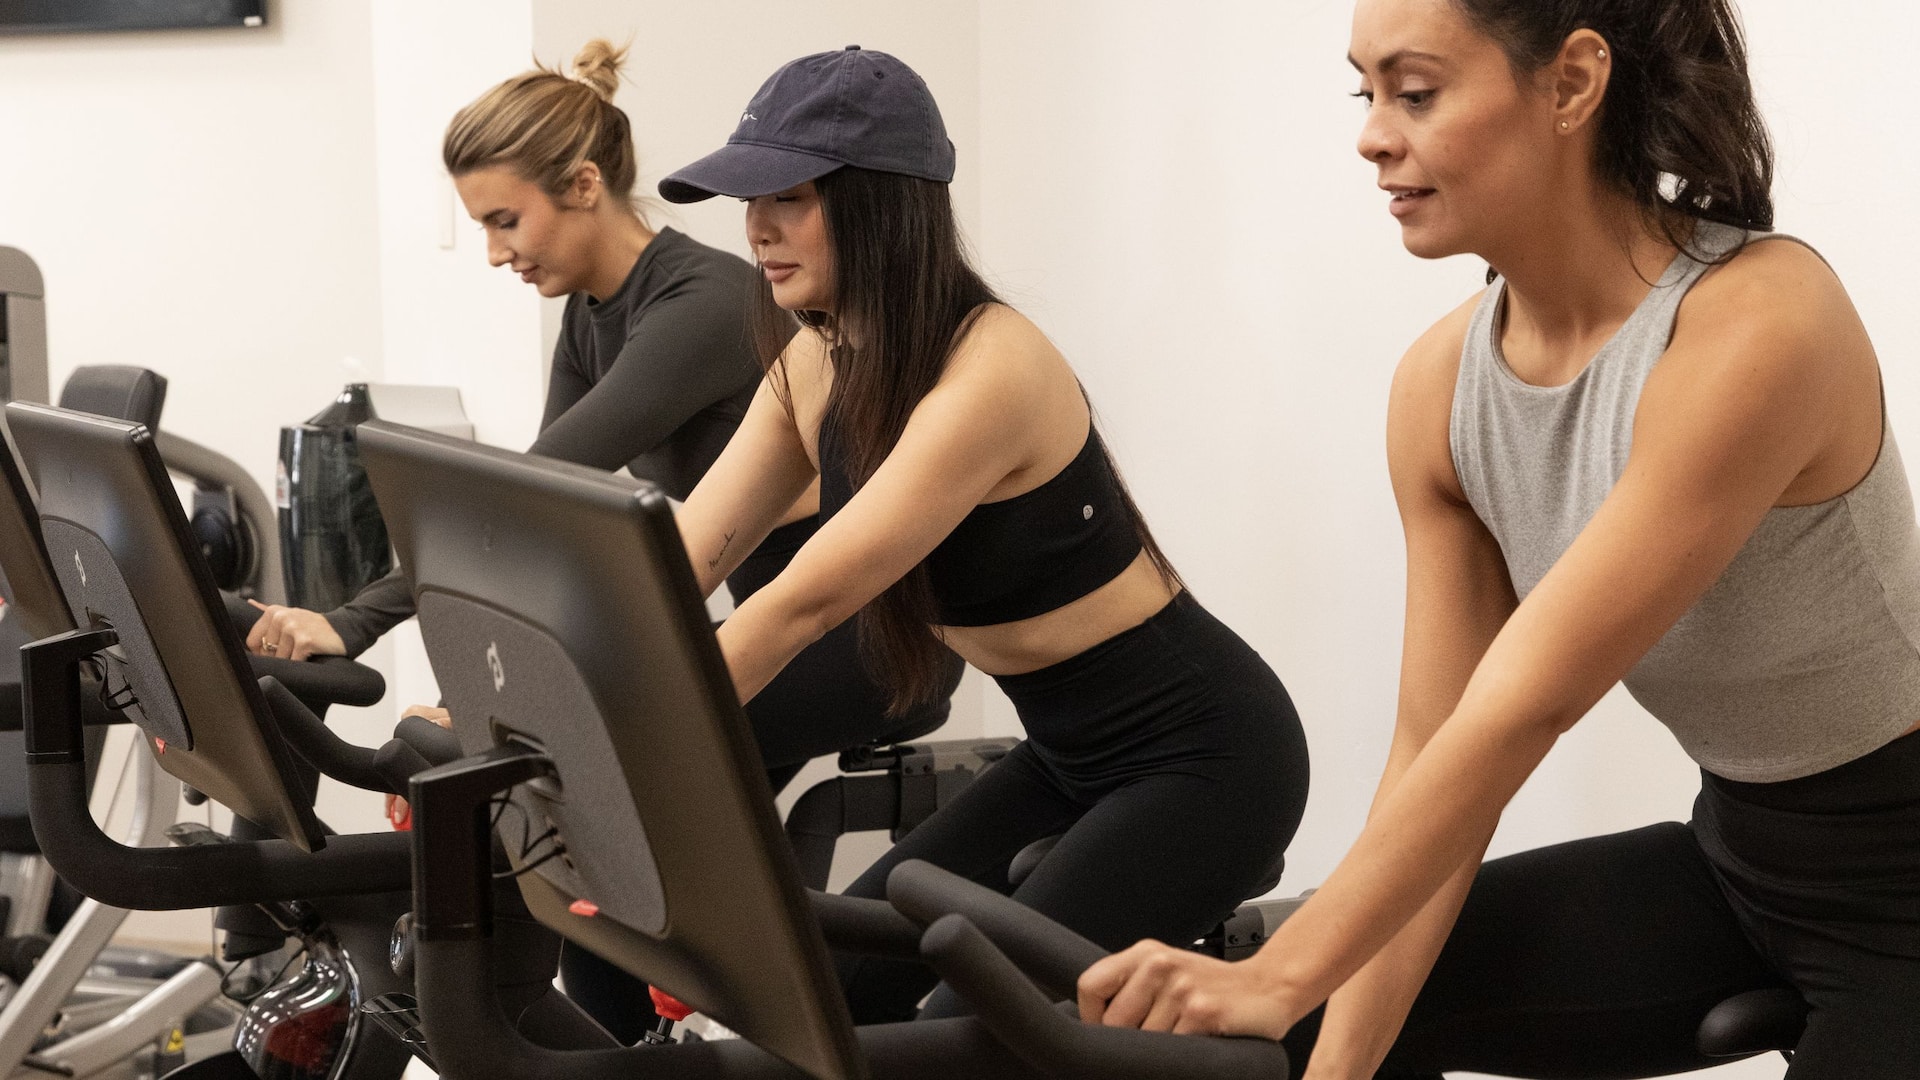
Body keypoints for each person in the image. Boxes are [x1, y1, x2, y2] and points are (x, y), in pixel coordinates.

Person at [1077, 1, 1920, 1077]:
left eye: (1415, 92)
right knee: (1299, 1031)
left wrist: (1288, 971)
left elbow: (1528, 702)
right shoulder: (1441, 387)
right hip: (1735, 863)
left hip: (1907, 885)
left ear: (1571, 84)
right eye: (1365, 92)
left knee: (1294, 979)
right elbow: (1438, 742)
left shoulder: (1758, 322)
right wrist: (1327, 1049)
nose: (1373, 134)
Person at [242, 40, 959, 1040]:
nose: (497, 251)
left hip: (859, 639)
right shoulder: (594, 315)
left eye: (505, 220)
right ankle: (626, 1049)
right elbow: (539, 530)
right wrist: (477, 682)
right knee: (562, 820)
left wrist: (353, 621)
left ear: (582, 186)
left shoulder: (705, 303)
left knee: (600, 810)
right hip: (767, 617)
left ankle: (651, 1047)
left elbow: (529, 495)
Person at [658, 45, 1310, 1024]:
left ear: (881, 203)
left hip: (1204, 758)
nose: (756, 229)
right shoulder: (817, 363)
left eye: (788, 197)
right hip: (1058, 758)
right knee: (818, 996)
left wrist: (629, 747)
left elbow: (804, 602)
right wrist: (518, 705)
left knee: (965, 1035)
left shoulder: (990, 370)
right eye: (749, 202)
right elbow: (677, 558)